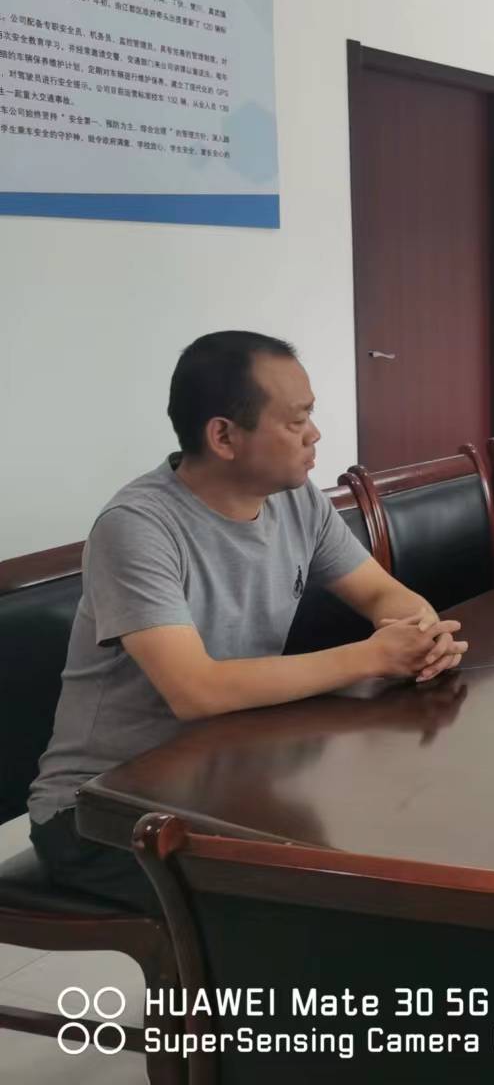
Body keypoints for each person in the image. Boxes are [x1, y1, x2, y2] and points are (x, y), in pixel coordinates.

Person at [28, 332, 468, 911]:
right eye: (297, 421)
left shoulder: (296, 500)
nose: (315, 434)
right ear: (224, 436)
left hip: (230, 778)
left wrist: (423, 636)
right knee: (326, 899)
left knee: (404, 844)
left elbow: (385, 595)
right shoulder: (137, 527)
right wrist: (372, 656)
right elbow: (196, 690)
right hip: (104, 811)